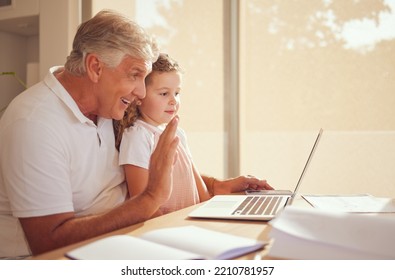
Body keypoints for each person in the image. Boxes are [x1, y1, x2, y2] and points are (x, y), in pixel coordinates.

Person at [0, 10, 272, 259]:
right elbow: (48, 242)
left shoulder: (108, 110)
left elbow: (147, 171)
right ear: (95, 67)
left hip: (123, 240)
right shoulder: (34, 122)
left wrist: (215, 186)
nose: (142, 93)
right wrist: (149, 200)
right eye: (134, 75)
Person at [114, 53, 211, 217]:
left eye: (177, 93)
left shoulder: (178, 133)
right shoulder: (137, 136)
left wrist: (209, 210)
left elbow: (196, 182)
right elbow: (141, 201)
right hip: (163, 225)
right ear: (139, 97)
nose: (174, 101)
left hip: (191, 220)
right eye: (164, 93)